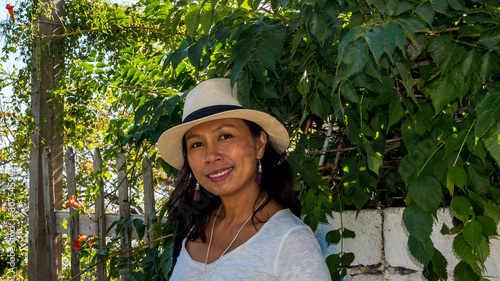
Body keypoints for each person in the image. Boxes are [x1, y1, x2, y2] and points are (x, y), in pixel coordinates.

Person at [157, 78, 331, 281]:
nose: (211, 155)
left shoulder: (290, 240)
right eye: (197, 144)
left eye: (225, 136)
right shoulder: (192, 226)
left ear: (259, 144)